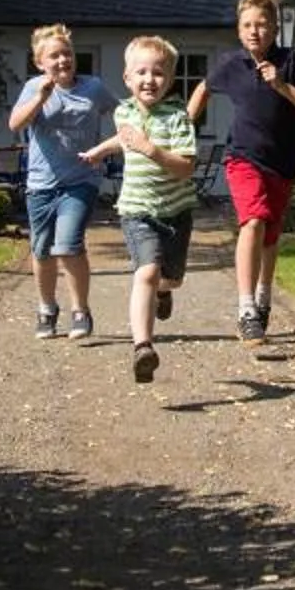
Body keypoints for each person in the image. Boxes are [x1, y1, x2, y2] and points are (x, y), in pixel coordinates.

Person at [188, 0, 295, 342]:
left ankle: (264, 296)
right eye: (247, 25)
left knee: (270, 236)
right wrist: (183, 127)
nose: (254, 31)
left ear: (275, 28)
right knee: (253, 221)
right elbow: (203, 89)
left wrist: (281, 86)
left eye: (261, 24)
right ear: (238, 29)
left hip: (283, 162)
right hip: (243, 158)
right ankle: (246, 307)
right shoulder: (231, 64)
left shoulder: (293, 62)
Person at [86, 35, 198, 383]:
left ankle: (165, 290)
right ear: (127, 78)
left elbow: (186, 167)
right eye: (142, 72)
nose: (149, 79)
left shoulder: (178, 117)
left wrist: (152, 151)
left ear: (171, 79)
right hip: (137, 209)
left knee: (171, 279)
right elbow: (125, 138)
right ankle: (143, 347)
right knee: (145, 272)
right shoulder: (124, 110)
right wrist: (100, 151)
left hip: (176, 210)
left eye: (159, 73)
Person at [8, 24, 115, 339]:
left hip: (81, 181)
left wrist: (105, 149)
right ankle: (46, 308)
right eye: (54, 56)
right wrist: (40, 98)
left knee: (68, 245)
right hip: (41, 184)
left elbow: (123, 116)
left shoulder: (93, 88)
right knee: (41, 251)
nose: (62, 61)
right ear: (40, 62)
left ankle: (80, 309)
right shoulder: (33, 88)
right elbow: (15, 124)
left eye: (66, 53)